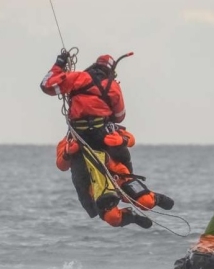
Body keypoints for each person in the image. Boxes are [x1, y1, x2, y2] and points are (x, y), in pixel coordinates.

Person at [41, 51, 174, 228]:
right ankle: (132, 216)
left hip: (116, 171)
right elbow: (61, 165)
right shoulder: (72, 140)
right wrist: (67, 153)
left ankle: (156, 198)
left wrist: (120, 142)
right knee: (112, 217)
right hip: (94, 181)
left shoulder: (109, 131)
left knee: (146, 202)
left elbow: (128, 135)